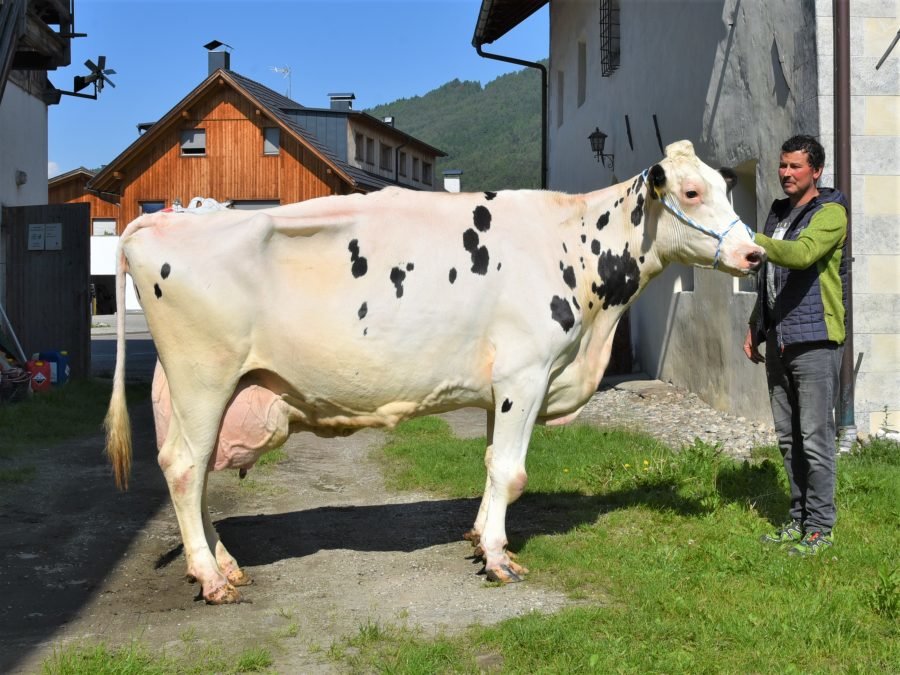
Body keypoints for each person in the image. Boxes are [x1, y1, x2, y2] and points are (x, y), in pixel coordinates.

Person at [743, 134, 849, 556]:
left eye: (795, 167)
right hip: (781, 339)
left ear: (816, 171)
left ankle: (821, 528)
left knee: (816, 439)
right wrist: (757, 325)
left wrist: (750, 238)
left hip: (816, 341)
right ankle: (799, 520)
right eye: (782, 165)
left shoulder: (831, 213)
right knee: (789, 440)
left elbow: (801, 255)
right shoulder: (778, 212)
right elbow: (769, 280)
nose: (785, 173)